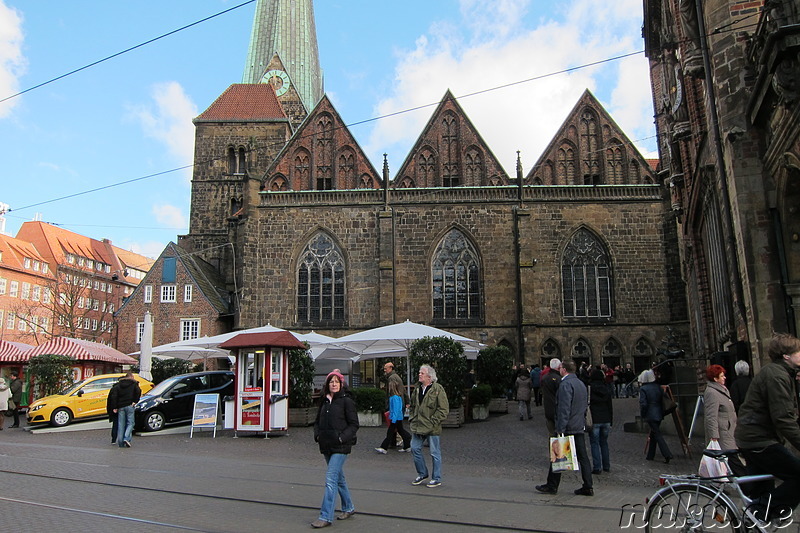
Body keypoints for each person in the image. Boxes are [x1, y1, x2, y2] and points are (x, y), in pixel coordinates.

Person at [735, 333, 800, 522]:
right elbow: (783, 418)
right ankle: (757, 515)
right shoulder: (777, 376)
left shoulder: (780, 373)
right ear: (786, 356)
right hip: (758, 440)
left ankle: (755, 518)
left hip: (754, 437)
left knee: (761, 492)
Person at [536, 360, 593, 496]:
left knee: (557, 455)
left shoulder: (565, 384)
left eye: (561, 367)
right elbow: (584, 406)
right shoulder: (580, 383)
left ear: (564, 369)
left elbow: (564, 409)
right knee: (583, 457)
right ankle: (588, 486)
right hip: (578, 425)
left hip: (568, 427)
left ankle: (552, 485)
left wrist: (560, 428)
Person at [311, 371, 359, 528]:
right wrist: (317, 435)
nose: (333, 384)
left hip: (341, 446)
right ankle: (348, 507)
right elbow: (317, 421)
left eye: (336, 382)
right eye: (331, 382)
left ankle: (325, 516)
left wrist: (342, 438)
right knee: (339, 478)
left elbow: (354, 424)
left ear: (341, 384)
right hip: (326, 445)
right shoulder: (324, 401)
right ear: (327, 384)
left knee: (330, 479)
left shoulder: (346, 401)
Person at [409, 364, 449, 488]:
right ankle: (422, 473)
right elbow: (413, 406)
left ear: (429, 376)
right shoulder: (417, 389)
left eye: (422, 373)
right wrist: (412, 418)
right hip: (418, 425)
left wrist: (433, 421)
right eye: (419, 372)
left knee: (434, 452)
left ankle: (436, 478)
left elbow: (443, 409)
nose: (419, 374)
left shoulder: (438, 389)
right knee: (414, 448)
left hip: (432, 427)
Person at [703, 364, 745, 476]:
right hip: (723, 433)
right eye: (722, 376)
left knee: (730, 459)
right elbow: (711, 415)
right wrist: (714, 435)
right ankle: (746, 486)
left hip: (729, 430)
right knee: (732, 459)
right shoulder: (712, 393)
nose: (724, 378)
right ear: (715, 379)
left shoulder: (723, 390)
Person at [639, 369, 673, 463]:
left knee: (657, 434)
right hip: (659, 412)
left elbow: (643, 404)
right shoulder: (658, 387)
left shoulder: (643, 389)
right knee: (654, 433)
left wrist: (643, 414)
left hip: (650, 413)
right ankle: (650, 455)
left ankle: (667, 454)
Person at [375, 379, 411, 453]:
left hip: (395, 418)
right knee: (401, 431)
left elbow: (396, 409)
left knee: (390, 433)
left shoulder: (394, 397)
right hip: (397, 417)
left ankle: (384, 447)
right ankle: (407, 444)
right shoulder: (397, 397)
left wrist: (393, 419)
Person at [588, 369, 613, 474]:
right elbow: (610, 406)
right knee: (604, 443)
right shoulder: (606, 388)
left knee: (594, 443)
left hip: (595, 419)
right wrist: (611, 420)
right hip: (606, 419)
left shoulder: (590, 389)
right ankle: (606, 466)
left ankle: (597, 467)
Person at [107, 372, 141, 448]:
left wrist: (114, 407)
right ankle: (126, 438)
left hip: (120, 407)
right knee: (130, 423)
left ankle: (120, 442)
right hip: (129, 405)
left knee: (120, 424)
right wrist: (135, 401)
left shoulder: (118, 385)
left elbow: (114, 396)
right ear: (131, 377)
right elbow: (138, 392)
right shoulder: (134, 384)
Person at [541, 358, 562, 437]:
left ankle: (553, 449)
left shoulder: (544, 378)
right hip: (558, 410)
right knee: (561, 434)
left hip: (548, 409)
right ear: (558, 367)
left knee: (551, 434)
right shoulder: (559, 379)